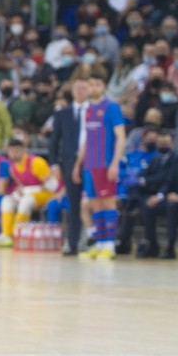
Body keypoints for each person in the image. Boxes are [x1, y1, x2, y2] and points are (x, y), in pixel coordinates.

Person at [73, 72, 127, 260]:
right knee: (95, 204)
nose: (93, 88)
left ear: (103, 86)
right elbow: (87, 139)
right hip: (90, 165)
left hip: (105, 163)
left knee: (108, 202)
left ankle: (110, 245)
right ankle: (99, 243)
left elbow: (121, 137)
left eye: (96, 84)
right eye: (90, 85)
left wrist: (114, 163)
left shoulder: (111, 108)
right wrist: (78, 164)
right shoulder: (88, 109)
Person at [0, 139, 57, 247]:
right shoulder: (13, 168)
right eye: (11, 151)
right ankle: (6, 235)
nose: (14, 154)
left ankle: (17, 234)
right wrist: (21, 190)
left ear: (24, 149)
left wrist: (27, 190)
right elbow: (22, 185)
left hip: (47, 195)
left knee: (26, 201)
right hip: (30, 193)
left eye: (17, 150)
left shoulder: (36, 162)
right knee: (7, 200)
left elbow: (53, 186)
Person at [49, 77, 89, 255]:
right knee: (73, 203)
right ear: (72, 91)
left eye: (83, 88)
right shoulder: (62, 113)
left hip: (91, 163)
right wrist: (54, 164)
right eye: (77, 88)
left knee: (92, 202)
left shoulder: (95, 111)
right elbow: (54, 142)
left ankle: (94, 240)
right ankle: (72, 243)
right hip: (69, 164)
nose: (80, 91)